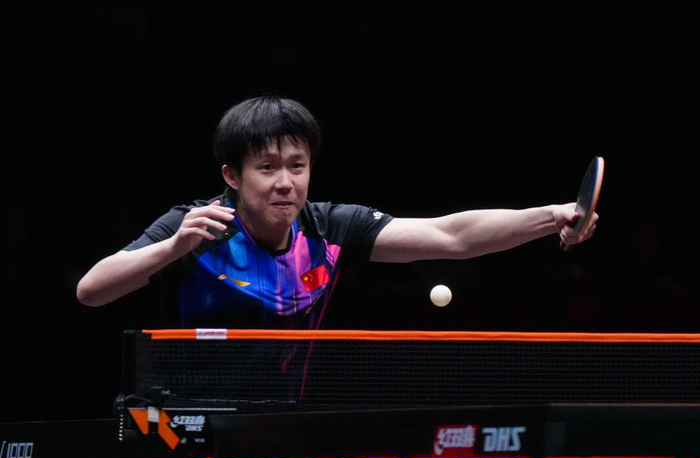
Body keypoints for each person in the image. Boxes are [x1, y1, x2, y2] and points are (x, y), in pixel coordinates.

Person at [76, 95, 597, 331]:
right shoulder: (196, 227)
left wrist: (553, 215)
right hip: (187, 428)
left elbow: (452, 236)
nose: (285, 181)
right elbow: (91, 290)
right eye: (267, 167)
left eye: (297, 165)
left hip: (283, 428)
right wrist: (173, 249)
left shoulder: (329, 228)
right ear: (232, 176)